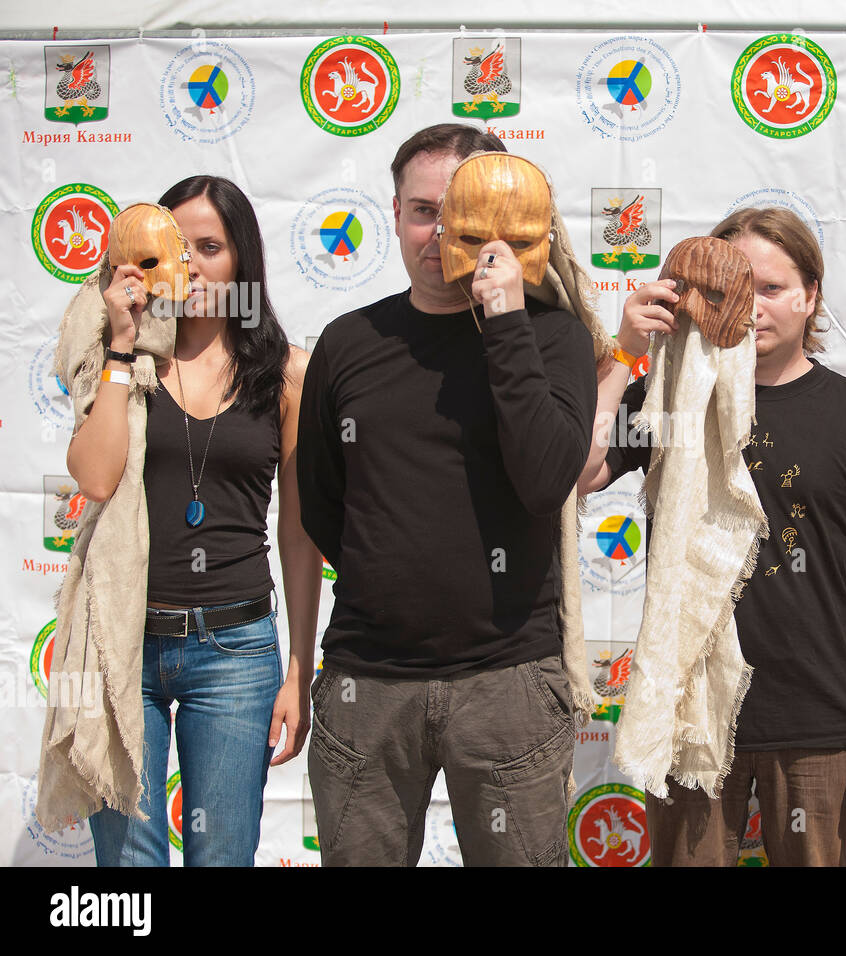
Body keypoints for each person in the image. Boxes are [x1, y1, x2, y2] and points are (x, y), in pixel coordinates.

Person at [578, 207, 846, 866]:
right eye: (733, 288)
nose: (754, 307)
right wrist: (624, 353)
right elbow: (584, 470)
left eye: (772, 287)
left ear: (810, 295)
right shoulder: (666, 397)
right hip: (689, 719)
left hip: (817, 716)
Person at [296, 124, 597, 866]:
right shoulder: (346, 343)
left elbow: (543, 480)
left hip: (510, 686)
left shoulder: (551, 337)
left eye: (460, 217)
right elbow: (322, 505)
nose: (439, 235)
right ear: (395, 213)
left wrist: (503, 323)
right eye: (423, 211)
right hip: (367, 683)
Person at [70, 176, 320, 866]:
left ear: (241, 259)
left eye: (210, 247)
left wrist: (299, 664)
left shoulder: (287, 374)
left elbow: (298, 534)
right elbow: (93, 478)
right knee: (128, 866)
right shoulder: (124, 359)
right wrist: (122, 349)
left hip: (236, 652)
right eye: (174, 248)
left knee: (222, 855)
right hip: (123, 643)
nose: (192, 265)